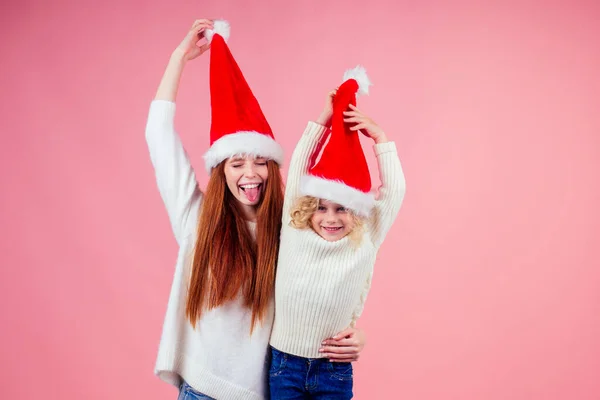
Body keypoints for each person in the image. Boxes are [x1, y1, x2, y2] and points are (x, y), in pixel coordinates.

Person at [145, 19, 367, 400]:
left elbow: (331, 283)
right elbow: (158, 135)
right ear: (221, 172)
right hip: (201, 392)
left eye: (260, 161)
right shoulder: (196, 218)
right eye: (236, 163)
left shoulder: (292, 230)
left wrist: (353, 333)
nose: (250, 173)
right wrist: (178, 58)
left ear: (272, 165)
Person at [268, 67, 407, 399]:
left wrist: (381, 140)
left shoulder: (365, 236)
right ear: (308, 207)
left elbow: (395, 193)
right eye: (321, 207)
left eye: (342, 208)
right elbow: (300, 162)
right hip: (284, 365)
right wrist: (324, 119)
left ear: (356, 211)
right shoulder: (295, 227)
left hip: (334, 369)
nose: (330, 218)